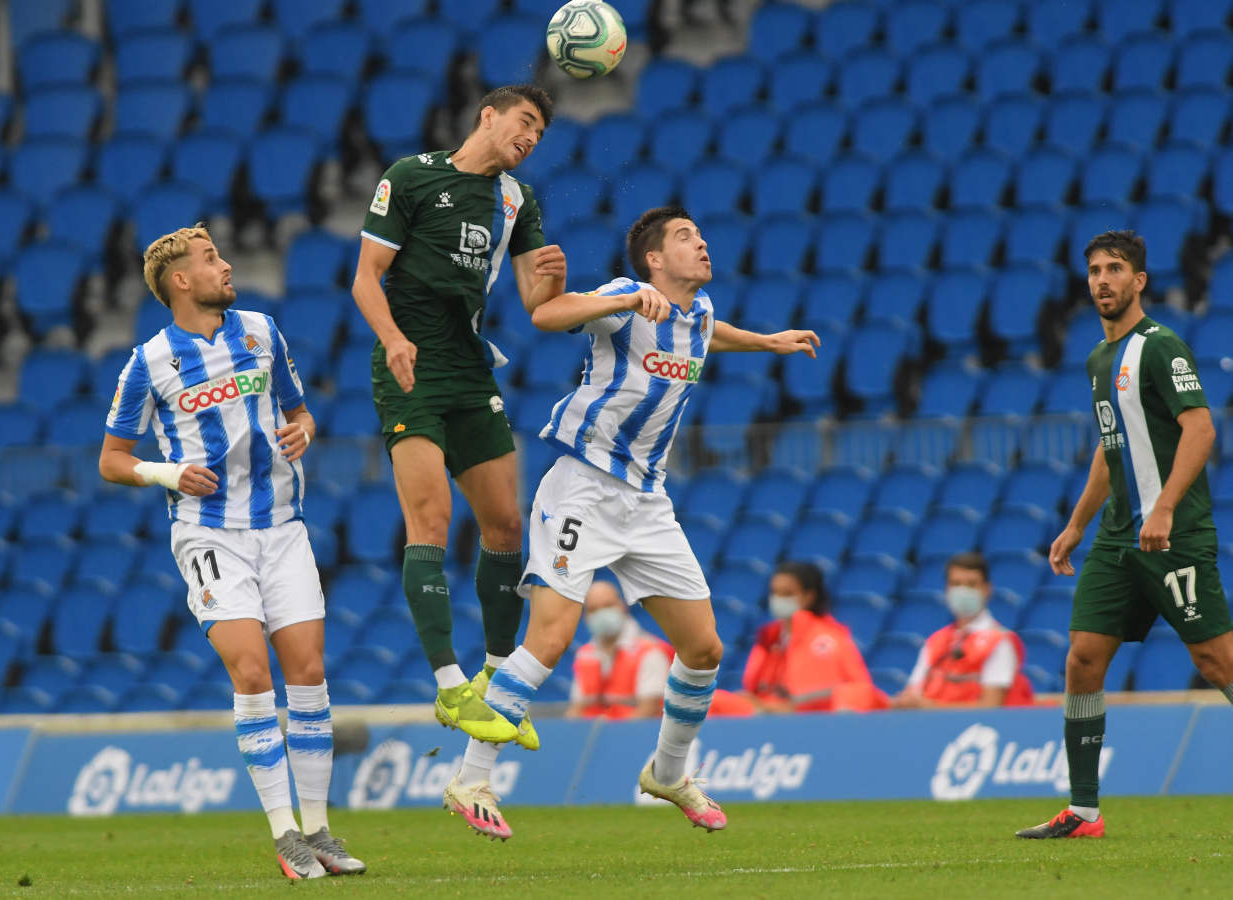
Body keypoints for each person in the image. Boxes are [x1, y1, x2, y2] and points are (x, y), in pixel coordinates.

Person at [440, 205, 820, 840]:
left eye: (701, 234)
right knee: (553, 637)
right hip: (583, 486)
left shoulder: (696, 311)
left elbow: (707, 330)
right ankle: (471, 779)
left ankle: (668, 772)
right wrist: (602, 302)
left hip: (647, 502)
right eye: (684, 238)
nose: (701, 244)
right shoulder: (623, 295)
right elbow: (548, 315)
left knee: (703, 649)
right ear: (653, 259)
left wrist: (766, 342)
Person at [100, 225, 364, 880]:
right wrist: (165, 473)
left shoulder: (261, 331)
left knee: (307, 671)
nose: (226, 264)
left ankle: (321, 830)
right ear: (180, 281)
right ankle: (285, 837)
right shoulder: (149, 362)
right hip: (209, 531)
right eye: (211, 258)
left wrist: (303, 431)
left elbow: (300, 412)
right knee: (252, 673)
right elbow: (112, 459)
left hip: (281, 527)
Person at [351, 84, 567, 746]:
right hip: (409, 369)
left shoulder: (517, 201)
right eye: (525, 122)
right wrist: (393, 340)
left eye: (540, 133)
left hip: (471, 370)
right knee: (432, 520)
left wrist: (553, 280)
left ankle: (497, 688)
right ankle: (449, 686)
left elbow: (538, 304)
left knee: (506, 523)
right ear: (487, 116)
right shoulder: (411, 177)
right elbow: (366, 277)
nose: (531, 138)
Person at [1017, 230, 1233, 839]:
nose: (1102, 280)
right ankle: (1083, 810)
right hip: (1117, 539)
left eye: (1115, 269)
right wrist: (1075, 524)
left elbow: (1201, 430)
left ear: (1139, 280)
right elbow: (1112, 450)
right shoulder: (1098, 359)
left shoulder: (1163, 348)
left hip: (1174, 533)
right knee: (1083, 659)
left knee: (1217, 661)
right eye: (1094, 270)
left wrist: (1164, 507)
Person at [891, 552, 1032, 710]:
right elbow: (913, 692)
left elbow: (991, 708)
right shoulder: (936, 641)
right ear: (947, 589)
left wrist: (929, 707)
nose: (963, 591)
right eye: (956, 584)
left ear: (987, 589)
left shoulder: (1000, 641)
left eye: (971, 584)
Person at [742, 562, 888, 713]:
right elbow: (754, 688)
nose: (778, 599)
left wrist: (784, 706)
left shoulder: (831, 638)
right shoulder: (767, 638)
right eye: (775, 593)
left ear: (809, 596)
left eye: (787, 594)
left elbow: (858, 691)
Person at [567, 580, 673, 719]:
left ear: (622, 605)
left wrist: (613, 737)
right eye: (593, 609)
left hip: (638, 735)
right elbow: (577, 709)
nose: (602, 614)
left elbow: (649, 708)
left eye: (608, 606)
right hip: (593, 736)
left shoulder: (650, 651)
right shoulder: (584, 655)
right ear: (585, 616)